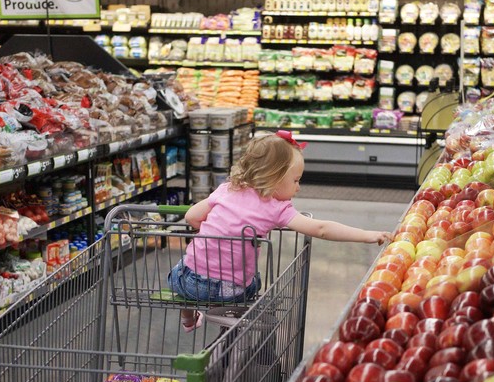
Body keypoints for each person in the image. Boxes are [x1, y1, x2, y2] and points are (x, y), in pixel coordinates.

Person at [168, 130, 392, 331]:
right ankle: (231, 320)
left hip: (189, 282)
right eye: (296, 180)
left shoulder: (226, 189)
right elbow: (322, 229)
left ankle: (189, 318)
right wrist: (367, 235)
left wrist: (217, 234)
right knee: (253, 281)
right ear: (273, 178)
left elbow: (191, 217)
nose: (299, 187)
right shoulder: (277, 208)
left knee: (181, 268)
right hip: (231, 292)